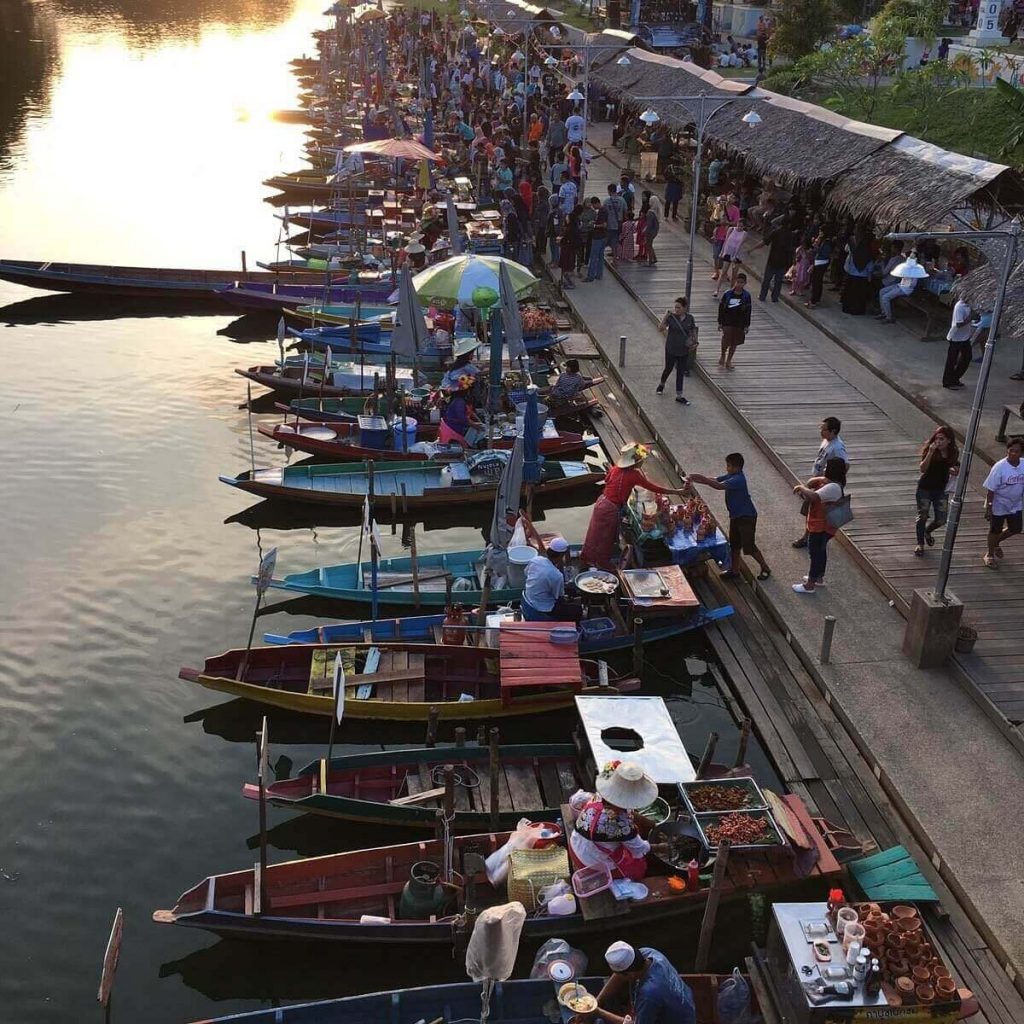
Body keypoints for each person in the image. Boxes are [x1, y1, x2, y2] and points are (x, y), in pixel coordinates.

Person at [581, 443, 686, 569]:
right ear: (635, 462)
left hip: (602, 502)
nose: (642, 463)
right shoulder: (633, 475)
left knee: (595, 532)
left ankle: (587, 557)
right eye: (641, 460)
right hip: (610, 508)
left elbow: (608, 480)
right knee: (606, 537)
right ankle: (602, 563)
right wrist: (677, 492)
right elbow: (652, 487)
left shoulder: (615, 469)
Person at [687, 452, 771, 581]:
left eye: (729, 466)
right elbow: (715, 479)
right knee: (735, 545)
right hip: (736, 516)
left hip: (746, 517)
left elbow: (718, 486)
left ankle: (765, 568)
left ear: (737, 467)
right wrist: (696, 478)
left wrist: (702, 478)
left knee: (749, 546)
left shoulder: (738, 479)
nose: (727, 468)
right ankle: (734, 570)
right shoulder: (732, 475)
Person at [568, 762, 656, 881]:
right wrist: (660, 847)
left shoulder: (598, 797)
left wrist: (648, 823)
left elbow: (628, 815)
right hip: (589, 863)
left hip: (575, 844)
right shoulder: (622, 825)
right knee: (639, 866)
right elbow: (640, 848)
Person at [594, 941, 697, 1024]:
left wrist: (598, 1012)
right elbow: (619, 975)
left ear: (631, 975)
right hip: (683, 1008)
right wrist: (597, 1001)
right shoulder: (648, 953)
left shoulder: (649, 994)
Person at [792, 457, 848, 593]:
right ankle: (818, 578)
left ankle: (809, 585)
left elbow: (814, 497)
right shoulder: (832, 483)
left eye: (826, 467)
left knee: (815, 553)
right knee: (820, 552)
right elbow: (811, 482)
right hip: (823, 525)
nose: (824, 469)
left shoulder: (833, 488)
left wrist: (801, 488)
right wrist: (820, 480)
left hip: (822, 526)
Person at [793, 417, 850, 547]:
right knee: (811, 509)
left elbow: (845, 465)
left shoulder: (838, 448)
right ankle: (810, 535)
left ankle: (811, 537)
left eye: (824, 429)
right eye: (821, 428)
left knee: (818, 512)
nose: (821, 432)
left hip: (826, 485)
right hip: (820, 480)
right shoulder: (826, 440)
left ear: (833, 431)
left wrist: (832, 480)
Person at [915, 426, 960, 556]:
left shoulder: (952, 452)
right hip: (925, 488)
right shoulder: (931, 450)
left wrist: (954, 469)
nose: (938, 442)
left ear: (949, 441)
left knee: (941, 519)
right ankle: (920, 544)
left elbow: (953, 464)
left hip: (940, 489)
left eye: (942, 439)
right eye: (937, 439)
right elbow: (923, 468)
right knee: (922, 515)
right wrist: (930, 452)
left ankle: (927, 531)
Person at [982, 437, 1024, 568]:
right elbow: (991, 489)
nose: (1013, 454)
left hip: (1015, 504)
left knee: (1016, 528)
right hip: (998, 504)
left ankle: (995, 543)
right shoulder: (999, 467)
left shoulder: (1023, 465)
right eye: (1010, 451)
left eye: (1016, 451)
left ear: (1021, 453)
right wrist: (989, 507)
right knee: (995, 529)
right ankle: (989, 554)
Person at [521, 537, 582, 622]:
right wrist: (572, 600)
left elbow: (526, 573)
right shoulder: (556, 575)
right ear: (561, 555)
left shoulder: (536, 560)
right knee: (577, 610)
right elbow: (559, 598)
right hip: (542, 608)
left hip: (528, 598)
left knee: (569, 592)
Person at [657, 297, 697, 404]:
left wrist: (694, 342)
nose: (676, 309)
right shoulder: (671, 317)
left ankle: (679, 395)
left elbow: (693, 331)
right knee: (668, 368)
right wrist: (665, 316)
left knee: (680, 372)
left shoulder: (690, 318)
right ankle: (661, 384)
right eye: (675, 307)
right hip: (671, 348)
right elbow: (660, 328)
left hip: (683, 350)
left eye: (678, 307)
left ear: (685, 308)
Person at [717, 273, 752, 370]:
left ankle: (729, 360)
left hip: (739, 323)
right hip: (727, 321)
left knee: (734, 342)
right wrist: (720, 322)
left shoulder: (746, 296)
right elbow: (721, 308)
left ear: (745, 283)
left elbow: (748, 311)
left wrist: (747, 325)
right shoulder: (727, 294)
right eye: (738, 282)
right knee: (726, 339)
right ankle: (723, 354)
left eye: (742, 283)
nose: (739, 284)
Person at [759, 214, 794, 303]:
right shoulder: (791, 235)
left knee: (767, 280)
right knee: (778, 282)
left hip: (772, 259)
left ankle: (762, 296)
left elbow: (765, 241)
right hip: (783, 261)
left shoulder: (775, 232)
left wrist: (752, 249)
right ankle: (775, 298)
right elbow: (791, 249)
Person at [439, 374, 483, 445]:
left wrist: (477, 422)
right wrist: (474, 425)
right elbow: (462, 418)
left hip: (457, 424)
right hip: (455, 427)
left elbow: (470, 413)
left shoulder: (462, 400)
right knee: (480, 434)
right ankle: (471, 446)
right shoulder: (459, 401)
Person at [942, 297, 974, 389]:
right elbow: (958, 324)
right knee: (952, 360)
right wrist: (970, 318)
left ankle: (955, 378)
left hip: (965, 337)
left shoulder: (970, 304)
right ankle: (947, 382)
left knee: (967, 357)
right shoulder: (959, 307)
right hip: (956, 337)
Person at [715, 217, 748, 297]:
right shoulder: (731, 229)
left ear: (743, 227)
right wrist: (722, 252)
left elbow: (740, 244)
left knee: (734, 274)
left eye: (741, 226)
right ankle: (717, 290)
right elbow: (726, 241)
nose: (739, 227)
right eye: (738, 225)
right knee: (723, 272)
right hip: (728, 252)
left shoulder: (744, 234)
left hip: (736, 255)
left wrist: (735, 256)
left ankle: (731, 290)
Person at [585, 196, 609, 281]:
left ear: (596, 203)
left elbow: (604, 225)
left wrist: (594, 225)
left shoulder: (602, 211)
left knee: (594, 256)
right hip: (604, 236)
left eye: (593, 205)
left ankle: (590, 276)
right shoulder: (604, 210)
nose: (593, 207)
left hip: (598, 237)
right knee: (600, 256)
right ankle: (599, 274)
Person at [642, 191, 661, 267]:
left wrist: (645, 231)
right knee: (650, 244)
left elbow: (649, 224)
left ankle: (650, 261)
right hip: (655, 230)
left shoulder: (650, 212)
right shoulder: (656, 212)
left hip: (650, 231)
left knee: (648, 245)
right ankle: (654, 258)